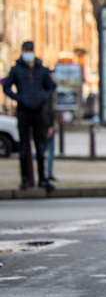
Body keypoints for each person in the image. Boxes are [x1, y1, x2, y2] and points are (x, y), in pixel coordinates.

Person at [2, 41, 56, 192]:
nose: (28, 53)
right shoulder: (17, 70)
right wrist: (19, 98)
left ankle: (42, 179)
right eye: (26, 50)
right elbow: (6, 86)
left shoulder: (41, 69)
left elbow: (51, 87)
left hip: (38, 111)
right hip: (24, 111)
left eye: (30, 50)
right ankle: (25, 179)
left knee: (40, 147)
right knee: (24, 147)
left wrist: (43, 97)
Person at [42, 77, 57, 182]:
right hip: (46, 127)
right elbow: (47, 113)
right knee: (47, 151)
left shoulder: (42, 94)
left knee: (44, 151)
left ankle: (47, 174)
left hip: (44, 126)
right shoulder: (46, 96)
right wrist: (49, 127)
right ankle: (48, 174)